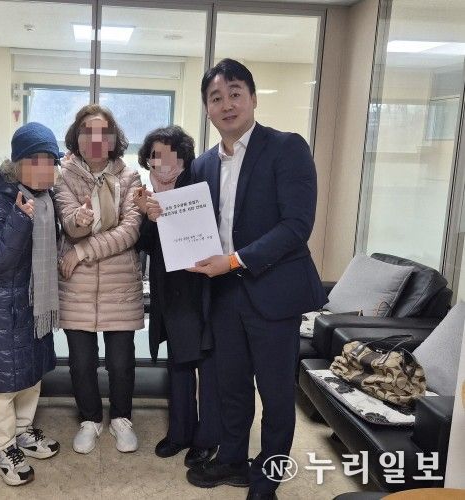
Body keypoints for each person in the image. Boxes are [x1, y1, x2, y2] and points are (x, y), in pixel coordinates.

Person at [177, 59, 328, 499]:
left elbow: (296, 225)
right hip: (223, 295)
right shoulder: (203, 165)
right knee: (232, 386)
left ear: (253, 98)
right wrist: (162, 215)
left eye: (235, 93)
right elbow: (195, 225)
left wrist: (235, 260)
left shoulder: (286, 147)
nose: (227, 104)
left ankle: (268, 478)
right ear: (207, 108)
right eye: (216, 97)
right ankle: (232, 458)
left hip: (273, 293)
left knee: (277, 396)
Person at [0, 122, 61, 487]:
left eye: (50, 160)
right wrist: (20, 219)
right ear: (17, 162)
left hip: (33, 306)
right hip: (3, 309)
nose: (44, 168)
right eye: (35, 160)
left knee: (30, 376)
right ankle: (3, 447)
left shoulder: (46, 200)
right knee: (3, 385)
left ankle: (23, 432)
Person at [54, 104, 144, 455]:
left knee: (121, 363)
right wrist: (78, 221)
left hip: (120, 284)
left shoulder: (130, 177)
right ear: (76, 137)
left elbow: (130, 231)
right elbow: (69, 223)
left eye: (102, 132)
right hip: (76, 286)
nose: (94, 139)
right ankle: (90, 419)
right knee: (81, 363)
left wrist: (81, 251)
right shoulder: (64, 176)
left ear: (112, 138)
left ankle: (121, 418)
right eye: (86, 131)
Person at [134, 126, 220, 469]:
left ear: (183, 156)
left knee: (207, 367)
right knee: (179, 364)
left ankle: (207, 438)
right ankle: (180, 432)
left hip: (204, 287)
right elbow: (145, 245)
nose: (162, 162)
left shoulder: (200, 185)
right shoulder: (150, 192)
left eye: (170, 153)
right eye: (155, 155)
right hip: (169, 290)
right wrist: (149, 216)